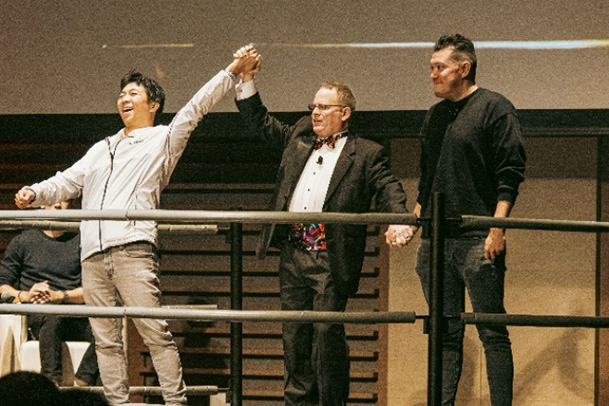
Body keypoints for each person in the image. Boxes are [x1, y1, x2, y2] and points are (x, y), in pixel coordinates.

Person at [14, 50, 259, 405]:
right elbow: (67, 180)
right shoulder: (102, 148)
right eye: (121, 94)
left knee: (155, 333)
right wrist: (35, 193)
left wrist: (232, 72)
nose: (124, 99)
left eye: (133, 93)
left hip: (132, 248)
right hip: (92, 254)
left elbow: (196, 107)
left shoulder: (163, 138)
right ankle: (117, 404)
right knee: (106, 340)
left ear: (153, 104)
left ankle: (175, 403)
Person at [233, 46, 410, 406]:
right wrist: (247, 80)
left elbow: (388, 187)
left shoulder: (366, 152)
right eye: (313, 106)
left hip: (330, 254)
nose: (315, 112)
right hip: (294, 252)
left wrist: (397, 219)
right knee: (295, 335)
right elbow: (262, 123)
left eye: (324, 107)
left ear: (344, 114)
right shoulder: (300, 137)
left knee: (327, 332)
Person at [388, 34, 526, 406]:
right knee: (444, 332)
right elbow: (428, 180)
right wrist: (411, 223)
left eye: (440, 67)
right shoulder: (434, 115)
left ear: (464, 68)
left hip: (476, 236)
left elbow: (509, 174)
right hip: (435, 239)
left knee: (492, 332)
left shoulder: (495, 108)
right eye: (431, 67)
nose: (432, 74)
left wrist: (498, 228)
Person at [0, 201, 99, 387]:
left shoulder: (82, 242)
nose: (57, 204)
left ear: (70, 204)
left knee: (107, 326)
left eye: (63, 198)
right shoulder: (23, 241)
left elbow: (93, 290)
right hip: (40, 315)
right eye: (52, 199)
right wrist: (26, 295)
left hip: (75, 314)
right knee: (51, 316)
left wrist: (59, 295)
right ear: (42, 204)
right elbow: (2, 286)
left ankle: (83, 380)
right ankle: (51, 382)